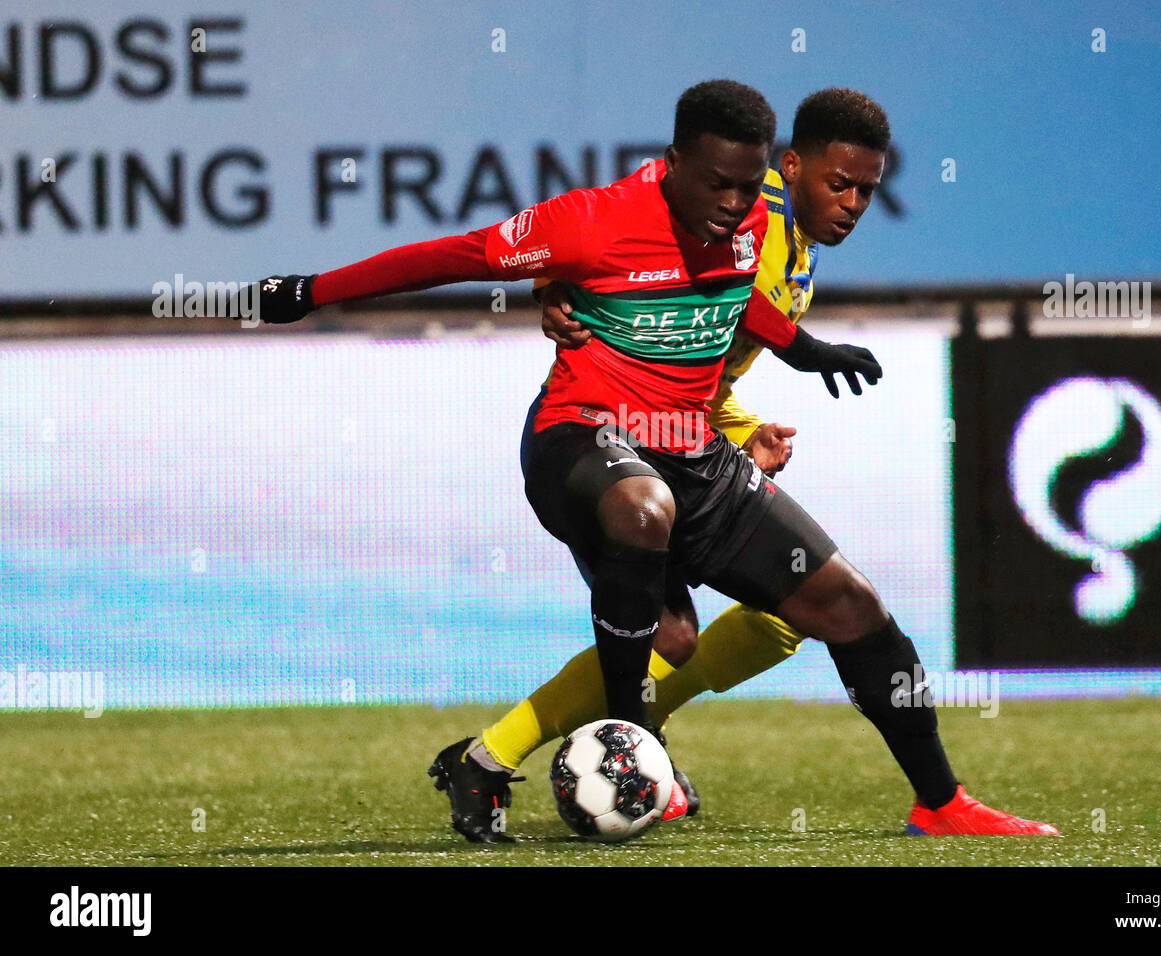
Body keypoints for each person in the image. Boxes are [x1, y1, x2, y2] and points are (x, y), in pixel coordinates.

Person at [248, 80, 1057, 844]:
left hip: (692, 447)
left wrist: (806, 352)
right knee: (642, 509)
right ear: (672, 164)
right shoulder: (593, 219)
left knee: (842, 605)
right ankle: (628, 742)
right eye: (720, 187)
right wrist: (313, 290)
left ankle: (941, 802)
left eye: (746, 191)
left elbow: (739, 294)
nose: (737, 207)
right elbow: (456, 255)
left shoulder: (744, 223)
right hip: (583, 435)